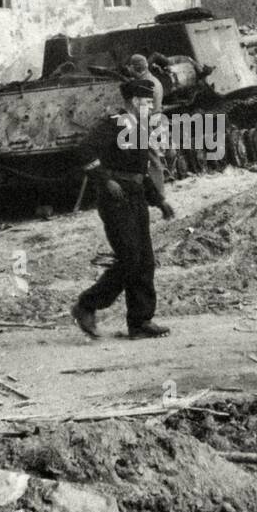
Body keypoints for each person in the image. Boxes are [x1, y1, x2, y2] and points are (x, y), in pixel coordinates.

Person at [71, 77, 175, 340]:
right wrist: (106, 180)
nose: (152, 106)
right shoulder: (116, 122)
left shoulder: (138, 127)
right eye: (148, 101)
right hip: (115, 200)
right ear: (135, 101)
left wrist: (159, 201)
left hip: (136, 197)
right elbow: (85, 151)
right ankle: (87, 305)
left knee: (144, 261)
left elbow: (140, 172)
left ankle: (140, 323)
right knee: (129, 258)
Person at [125, 54, 167, 200]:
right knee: (150, 159)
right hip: (152, 120)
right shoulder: (151, 80)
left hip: (146, 124)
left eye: (130, 67)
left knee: (152, 160)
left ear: (135, 68)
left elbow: (143, 110)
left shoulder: (145, 84)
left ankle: (159, 196)